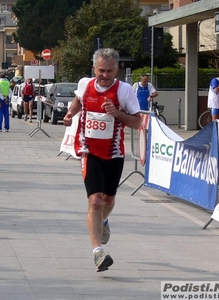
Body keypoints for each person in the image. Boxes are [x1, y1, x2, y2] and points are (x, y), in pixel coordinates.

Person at [63, 48, 141, 272]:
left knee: (108, 201)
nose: (105, 75)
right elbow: (79, 101)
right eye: (100, 71)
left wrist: (117, 113)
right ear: (94, 69)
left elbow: (137, 123)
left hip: (114, 153)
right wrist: (70, 114)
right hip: (89, 150)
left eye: (109, 71)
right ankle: (98, 252)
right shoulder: (85, 84)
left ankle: (104, 222)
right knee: (95, 200)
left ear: (116, 69)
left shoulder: (124, 91)